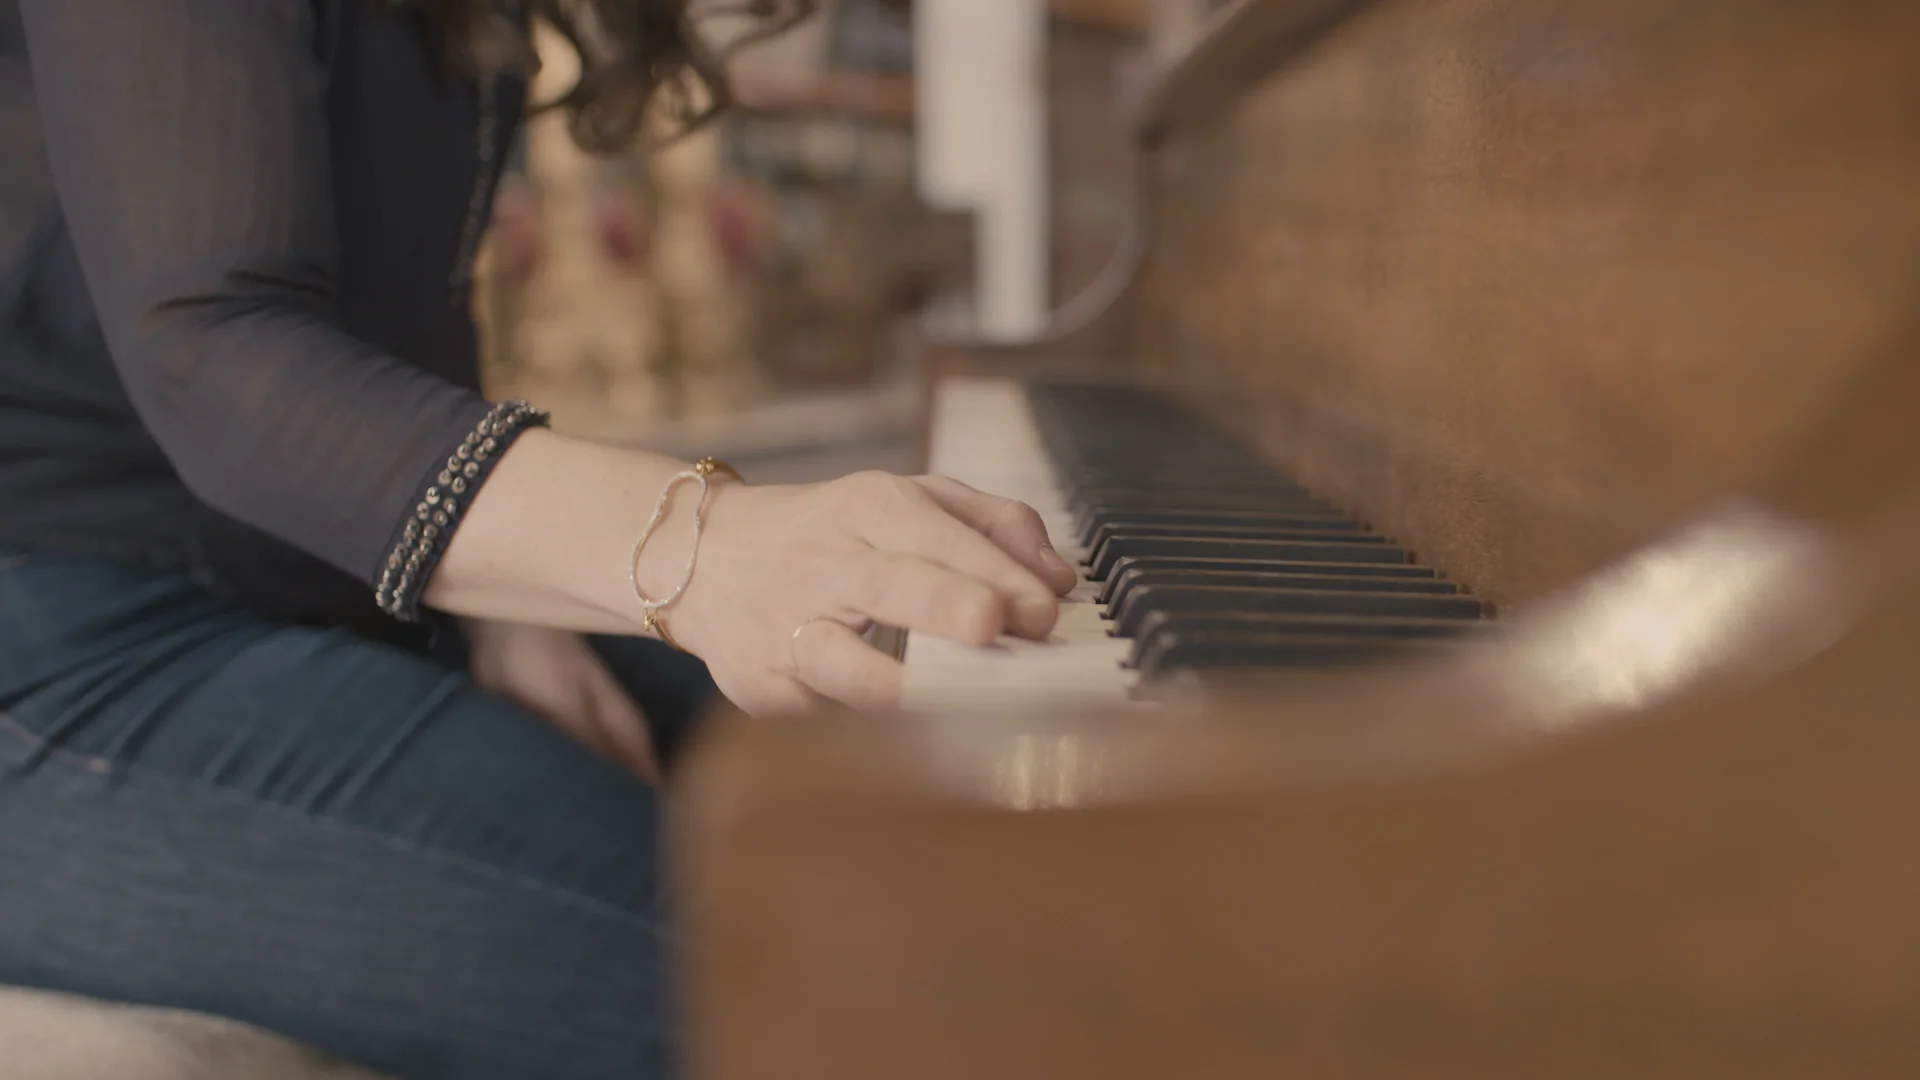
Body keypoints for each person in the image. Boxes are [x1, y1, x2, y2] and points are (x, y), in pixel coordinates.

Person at [0, 2, 1075, 1077]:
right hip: (63, 643)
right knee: (853, 983)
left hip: (317, 582)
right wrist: (702, 546)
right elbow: (214, 351)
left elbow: (407, 312)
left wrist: (506, 600)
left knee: (956, 844)